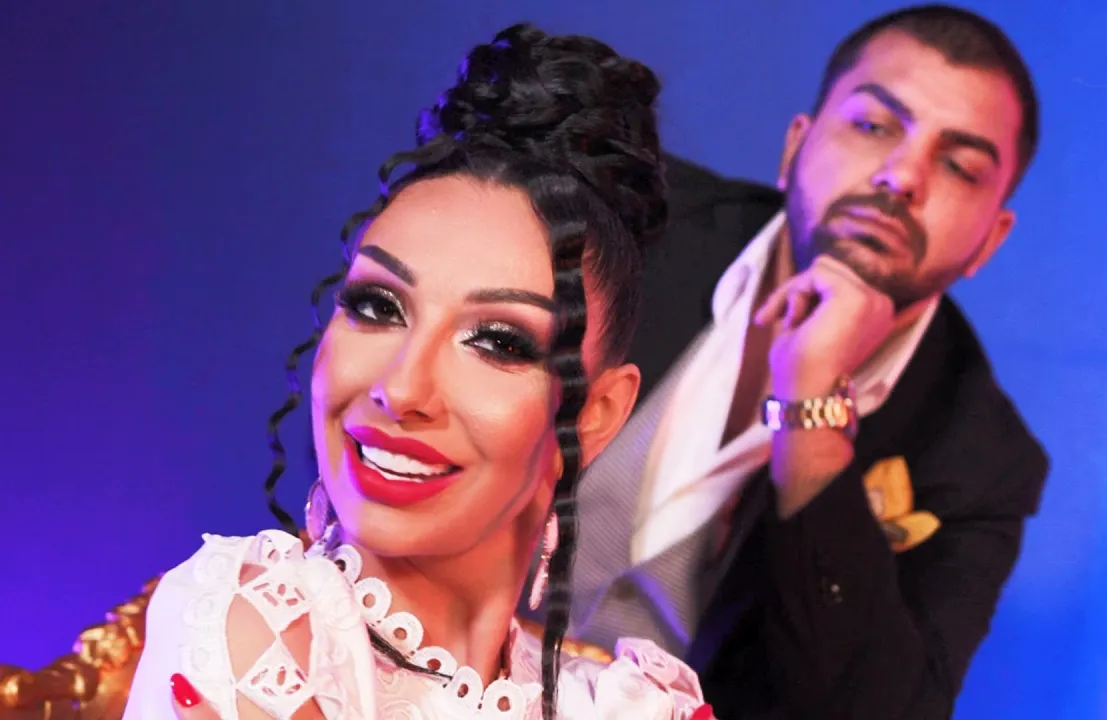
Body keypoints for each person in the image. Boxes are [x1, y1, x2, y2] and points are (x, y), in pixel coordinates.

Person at [123, 23, 715, 720]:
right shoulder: (257, 628)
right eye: (378, 306)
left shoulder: (630, 705)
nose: (401, 388)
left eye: (497, 342)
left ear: (593, 416)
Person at [544, 4, 1050, 718]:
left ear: (990, 242)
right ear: (795, 147)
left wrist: (812, 413)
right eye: (874, 127)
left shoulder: (980, 461)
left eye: (959, 166)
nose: (903, 176)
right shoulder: (625, 215)